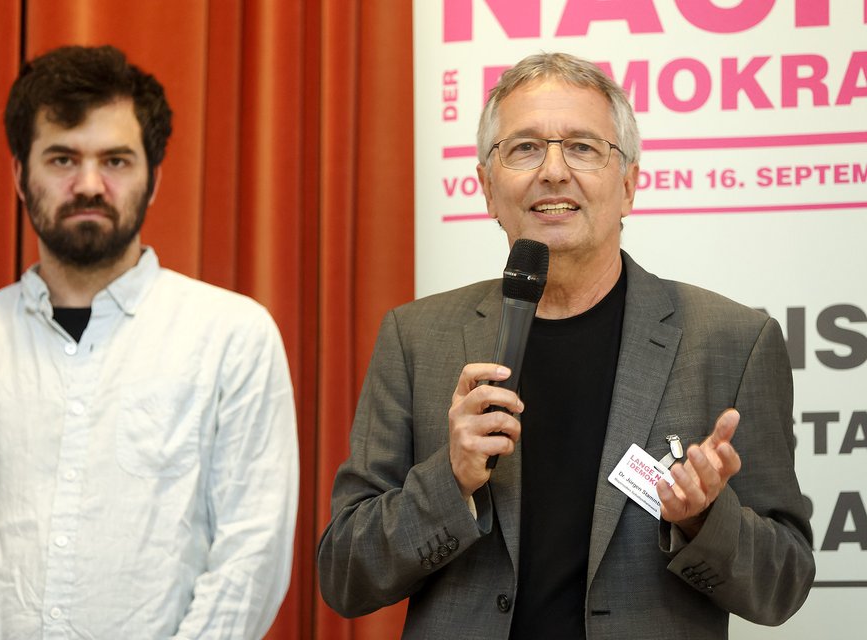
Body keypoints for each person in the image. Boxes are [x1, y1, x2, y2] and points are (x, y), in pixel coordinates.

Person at [317, 52, 815, 639]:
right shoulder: (416, 337)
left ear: (628, 185)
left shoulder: (731, 341)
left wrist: (705, 519)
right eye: (525, 148)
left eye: (582, 147)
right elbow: (345, 576)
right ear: (487, 187)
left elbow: (782, 586)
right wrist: (449, 480)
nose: (553, 171)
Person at [0, 45, 298, 639]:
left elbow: (251, 556)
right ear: (19, 176)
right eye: (62, 158)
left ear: (154, 178)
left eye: (115, 160)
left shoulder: (233, 339)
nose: (88, 185)